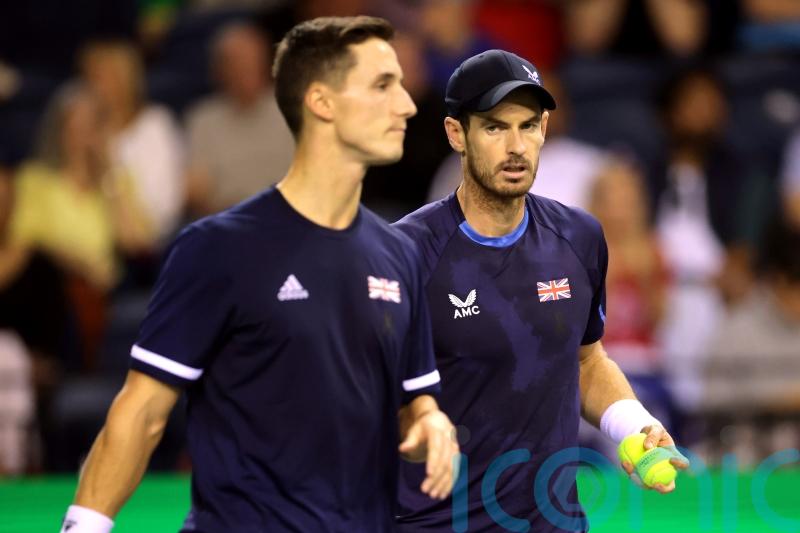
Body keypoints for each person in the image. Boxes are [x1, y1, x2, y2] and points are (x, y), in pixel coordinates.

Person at [59, 16, 458, 533]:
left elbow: (413, 397)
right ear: (321, 102)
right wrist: (84, 526)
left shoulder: (398, 253)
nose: (406, 104)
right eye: (383, 85)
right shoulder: (219, 247)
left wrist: (430, 420)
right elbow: (143, 411)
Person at [393, 49, 688, 532]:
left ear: (545, 129)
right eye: (494, 127)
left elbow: (586, 360)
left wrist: (633, 425)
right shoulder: (406, 252)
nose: (516, 146)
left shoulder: (580, 237)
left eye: (528, 126)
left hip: (555, 521)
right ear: (455, 134)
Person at [184, 22, 295, 216]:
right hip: (228, 221)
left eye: (252, 63)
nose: (245, 72)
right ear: (220, 71)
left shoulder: (292, 108)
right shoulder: (203, 120)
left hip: (287, 217)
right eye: (236, 64)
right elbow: (197, 195)